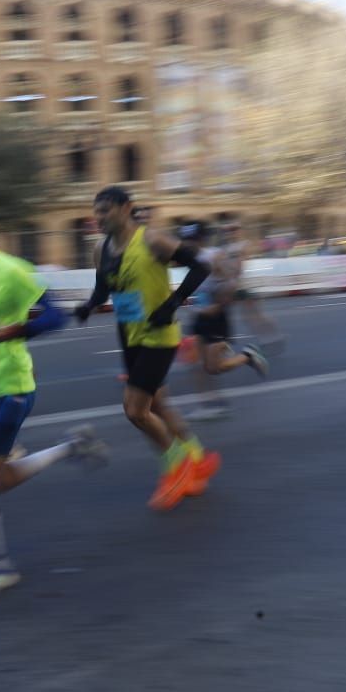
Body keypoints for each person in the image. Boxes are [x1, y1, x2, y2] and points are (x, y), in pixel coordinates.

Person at [0, 199, 108, 599]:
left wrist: (9, 332)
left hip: (12, 388)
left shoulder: (12, 270)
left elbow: (55, 316)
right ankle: (73, 447)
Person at [76, 186, 222, 509]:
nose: (98, 218)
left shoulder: (152, 240)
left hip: (159, 335)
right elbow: (103, 290)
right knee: (158, 406)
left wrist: (172, 304)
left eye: (105, 211)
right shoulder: (101, 249)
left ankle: (177, 467)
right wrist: (88, 306)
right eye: (96, 211)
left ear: (126, 208)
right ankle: (196, 457)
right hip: (129, 335)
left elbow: (201, 266)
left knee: (135, 410)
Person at [177, 221, 270, 421]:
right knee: (194, 364)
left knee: (213, 367)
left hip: (216, 318)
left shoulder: (213, 256)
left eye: (191, 240)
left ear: (200, 239)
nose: (187, 244)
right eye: (185, 240)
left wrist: (217, 306)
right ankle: (209, 404)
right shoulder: (190, 257)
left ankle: (248, 356)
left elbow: (232, 283)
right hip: (199, 315)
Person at [219, 215, 283, 347]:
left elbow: (240, 263)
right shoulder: (226, 248)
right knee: (246, 315)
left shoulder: (243, 245)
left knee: (254, 315)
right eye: (229, 231)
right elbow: (224, 265)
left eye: (234, 230)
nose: (231, 233)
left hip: (243, 284)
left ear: (239, 231)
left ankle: (273, 335)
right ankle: (270, 337)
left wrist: (234, 278)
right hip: (234, 284)